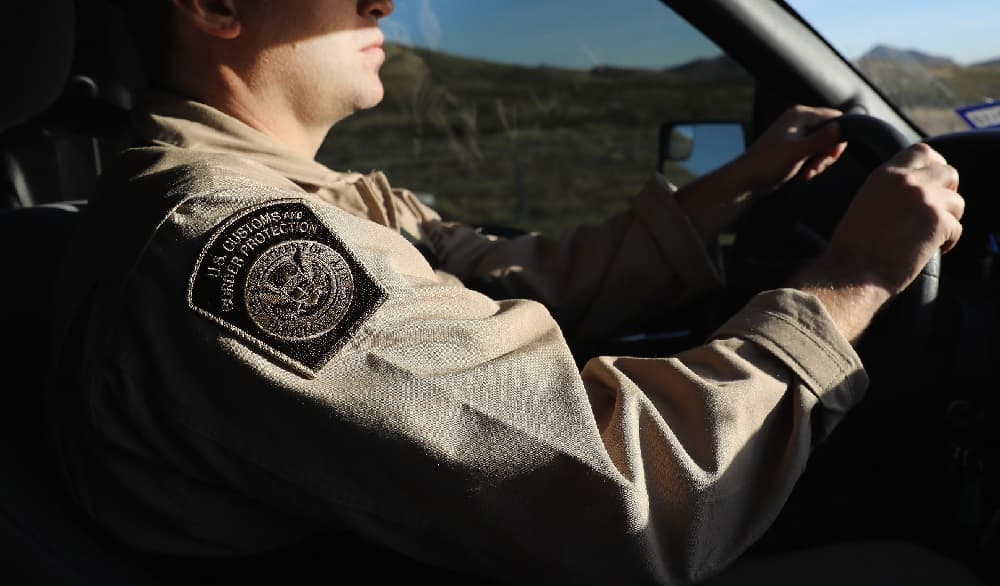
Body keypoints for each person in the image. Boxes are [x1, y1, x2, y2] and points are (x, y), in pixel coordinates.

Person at [45, 0, 969, 584]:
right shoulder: (231, 241)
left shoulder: (322, 197)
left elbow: (515, 276)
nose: (385, 2)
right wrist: (854, 279)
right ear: (213, 6)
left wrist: (739, 182)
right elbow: (631, 499)